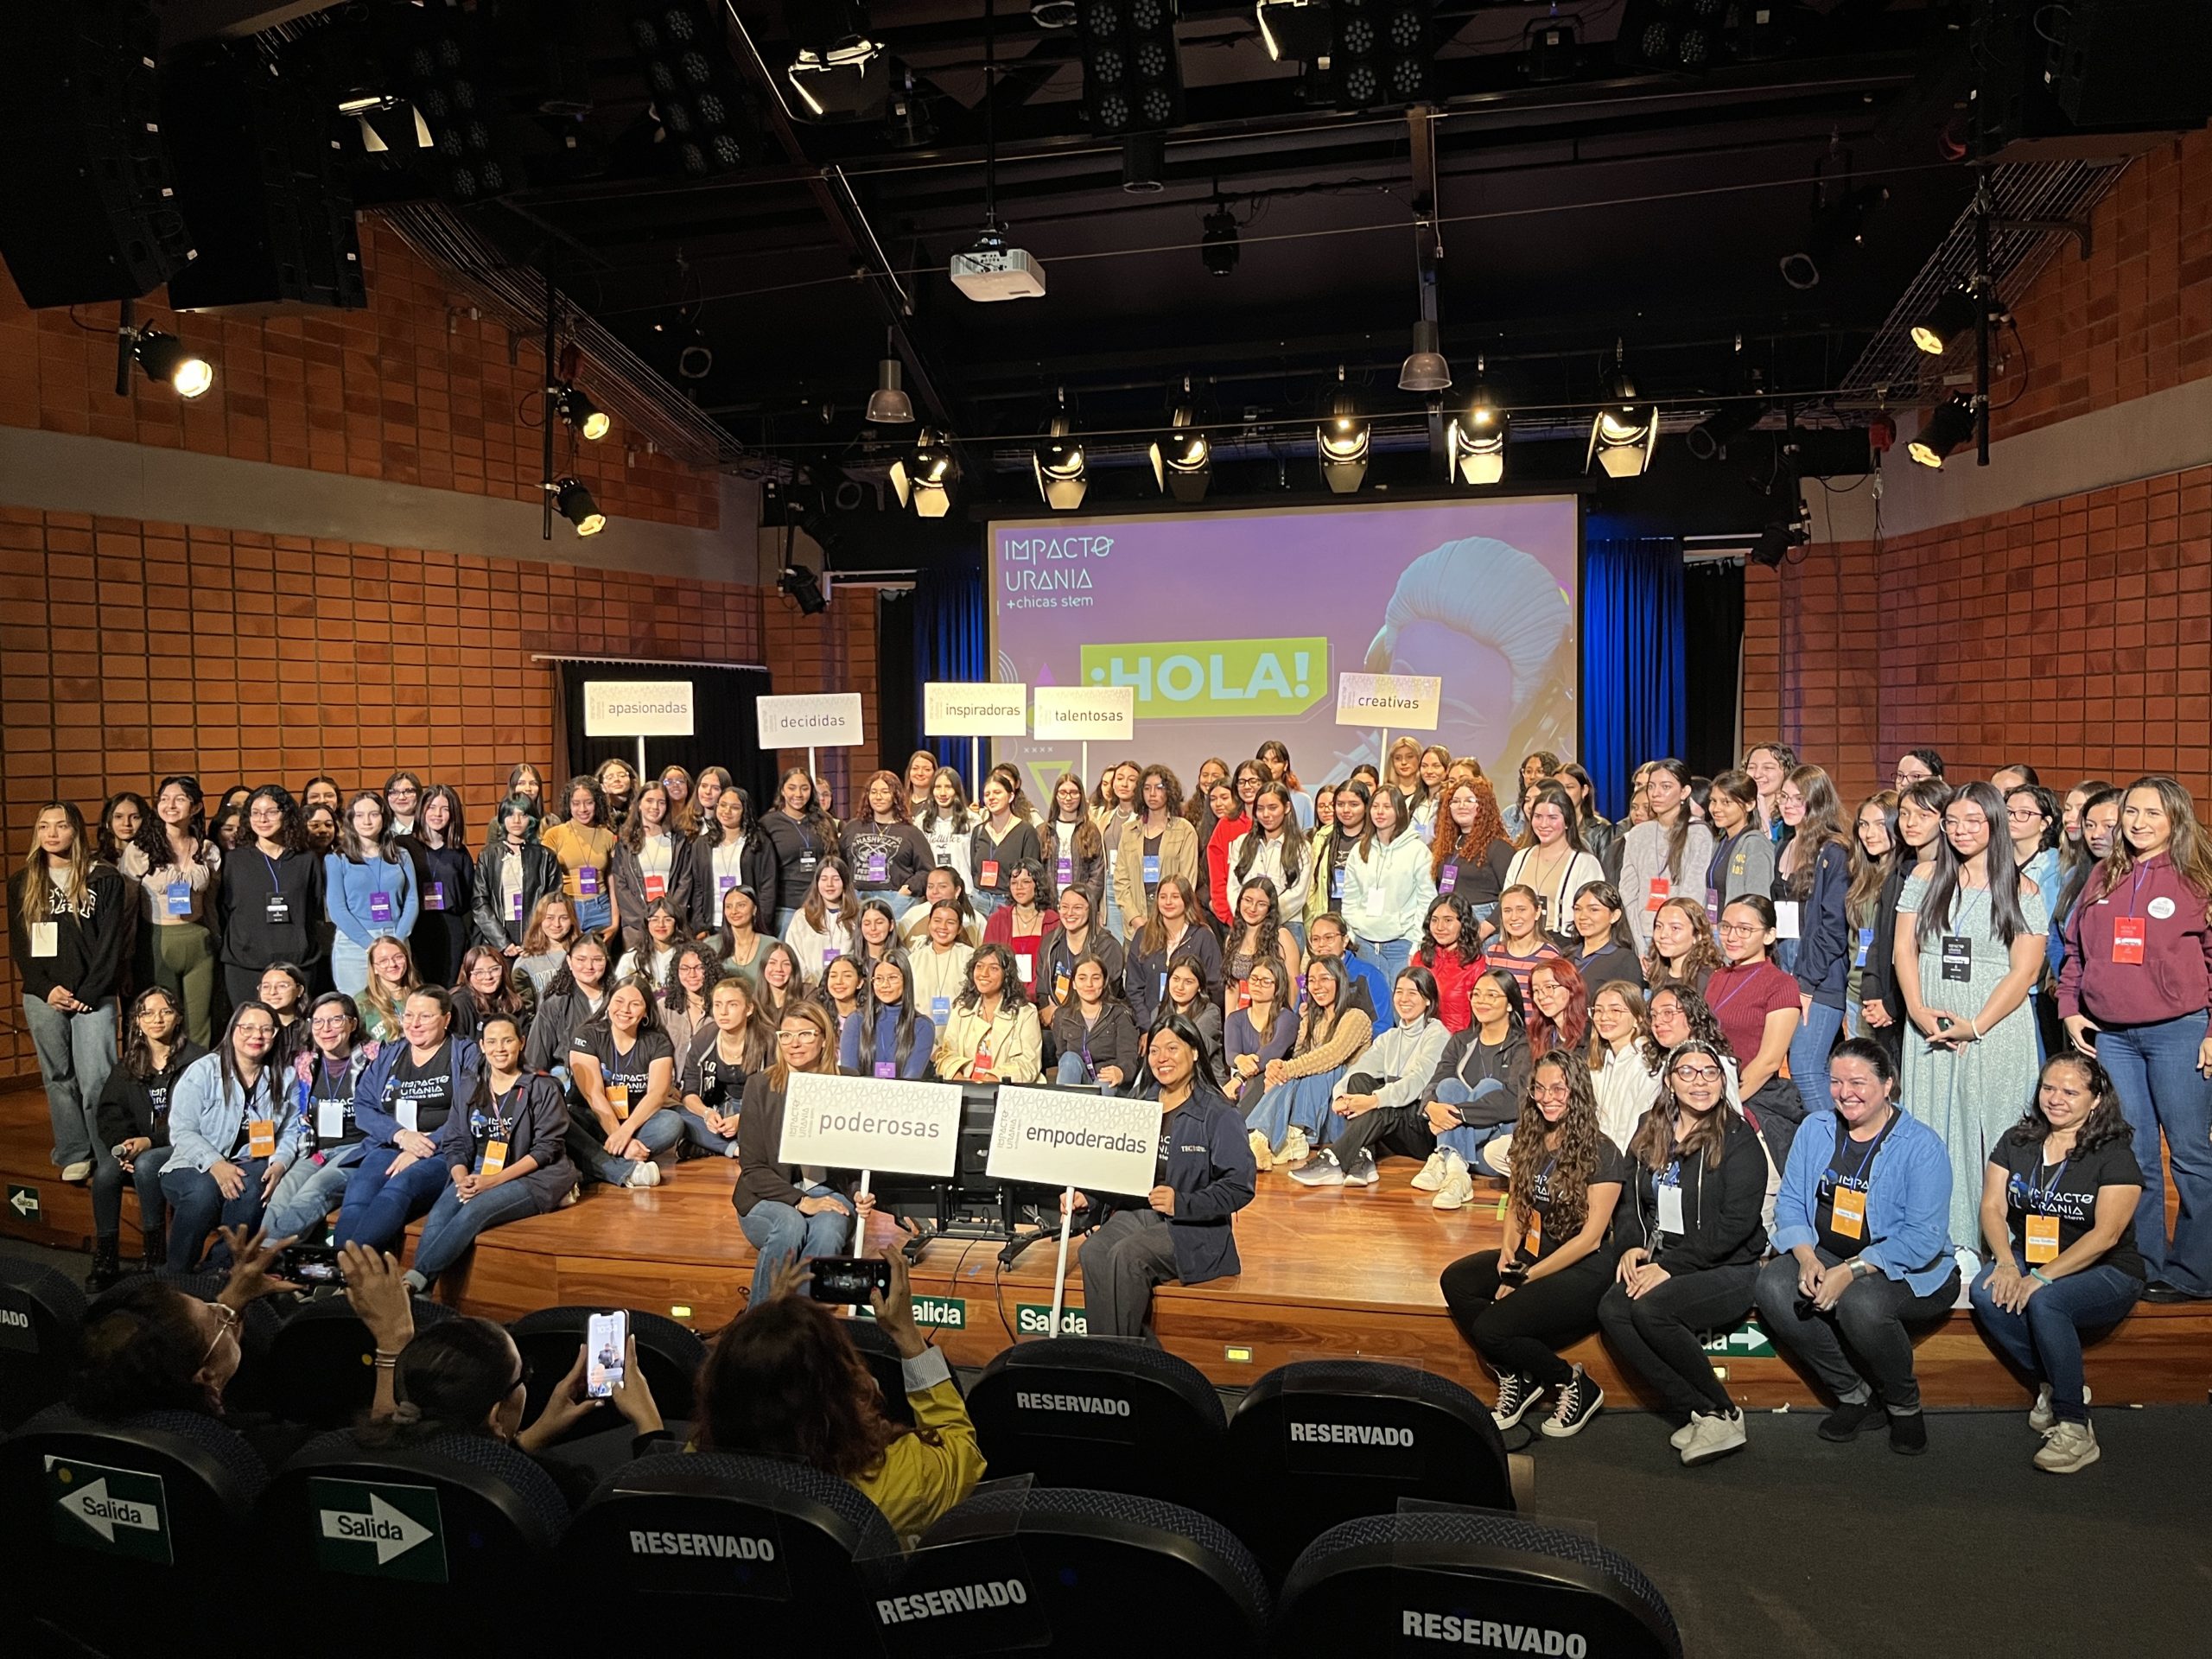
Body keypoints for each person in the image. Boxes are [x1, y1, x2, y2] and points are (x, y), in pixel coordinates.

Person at [693, 1243, 984, 1541]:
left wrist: (768, 1328)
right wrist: (907, 1335)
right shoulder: (898, 1481)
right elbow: (961, 1449)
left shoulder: (693, 1475)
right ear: (843, 1396)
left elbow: (746, 1384)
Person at [1754, 1039, 1959, 1455]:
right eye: (1836, 1081)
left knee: (1860, 1303)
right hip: (1827, 1252)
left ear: (1887, 1085)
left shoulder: (1922, 1145)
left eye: (1858, 1082)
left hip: (1911, 1268)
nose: (1845, 1092)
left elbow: (1923, 1238)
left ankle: (1903, 1405)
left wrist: (1850, 1270)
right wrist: (1806, 1256)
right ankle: (1854, 1395)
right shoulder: (1815, 1129)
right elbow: (1790, 1202)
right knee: (1773, 1285)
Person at [2056, 775, 2212, 1300]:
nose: (2138, 823)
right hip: (2114, 1038)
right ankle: (2143, 1264)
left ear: (2176, 819)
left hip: (2180, 1032)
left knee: (2190, 1154)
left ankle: (2196, 1273)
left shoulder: (2197, 877)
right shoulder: (2104, 873)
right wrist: (2070, 1007)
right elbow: (2075, 950)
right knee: (2135, 1153)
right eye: (2131, 812)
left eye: (2152, 813)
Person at [1970, 1053, 2147, 1473]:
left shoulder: (2113, 1153)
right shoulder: (2017, 1140)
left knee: (2047, 1300)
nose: (2056, 1099)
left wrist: (2041, 1278)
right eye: (2049, 1088)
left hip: (2107, 1268)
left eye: (2070, 1091)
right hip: (2030, 1255)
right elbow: (1992, 1206)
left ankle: (2075, 1426)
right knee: (1984, 1291)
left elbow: (2106, 1235)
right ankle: (2057, 1381)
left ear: (2096, 1099)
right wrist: (2006, 1264)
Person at [1599, 1038, 1770, 1466]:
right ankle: (1698, 1410)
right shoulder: (1650, 1126)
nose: (1700, 1082)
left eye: (1710, 1073)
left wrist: (1669, 1267)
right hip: (1667, 1257)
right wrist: (1632, 1246)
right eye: (1688, 1072)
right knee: (1613, 1309)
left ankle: (1724, 1412)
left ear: (1722, 1082)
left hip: (1728, 1266)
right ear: (1670, 1082)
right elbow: (1630, 1199)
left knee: (1652, 1309)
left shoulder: (1738, 1137)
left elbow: (1736, 1225)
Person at [1894, 780, 2049, 1255]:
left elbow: (2025, 971)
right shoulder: (1925, 876)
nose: (1960, 830)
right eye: (1952, 821)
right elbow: (1904, 949)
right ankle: (1939, 1238)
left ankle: (1994, 1244)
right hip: (1930, 1021)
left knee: (1993, 1130)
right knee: (1932, 1127)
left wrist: (1977, 1025)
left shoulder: (2021, 888)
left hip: (1993, 1026)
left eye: (1973, 821)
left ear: (1994, 823)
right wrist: (1917, 1010)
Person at [1440, 1050, 1627, 1437]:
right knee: (1456, 1280)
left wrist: (1526, 1278)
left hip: (1584, 1268)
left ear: (1577, 1092)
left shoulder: (1603, 1151)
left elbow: (1591, 1239)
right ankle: (1517, 1375)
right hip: (1535, 1253)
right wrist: (1509, 1252)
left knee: (1491, 1328)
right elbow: (1518, 1204)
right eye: (1539, 1089)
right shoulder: (1531, 1138)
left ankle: (1573, 1383)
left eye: (1558, 1089)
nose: (1547, 1098)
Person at [1067, 1013, 1255, 1340]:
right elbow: (1118, 1166)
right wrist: (1091, 1197)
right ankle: (1111, 1353)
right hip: (1141, 1213)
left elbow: (1240, 1186)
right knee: (1093, 1251)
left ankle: (1120, 1359)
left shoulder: (1218, 1113)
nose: (1162, 1058)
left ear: (1194, 1051)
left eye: (1172, 1048)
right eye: (1154, 1050)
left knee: (1127, 1255)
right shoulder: (1141, 1104)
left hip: (1193, 1228)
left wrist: (1182, 1202)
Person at [404, 1013, 575, 1292]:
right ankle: (420, 1295)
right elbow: (456, 1142)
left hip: (531, 1175)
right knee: (439, 1215)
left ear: (521, 1043)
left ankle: (414, 1281)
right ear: (482, 1046)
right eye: (492, 1042)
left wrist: (492, 1182)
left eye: (508, 1040)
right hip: (478, 1170)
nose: (500, 1048)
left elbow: (547, 1149)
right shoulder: (469, 1086)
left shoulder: (542, 1086)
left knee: (474, 1211)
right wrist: (461, 1178)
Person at [12, 800, 131, 1185]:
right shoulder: (23, 881)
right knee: (58, 1076)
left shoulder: (104, 878)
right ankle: (74, 1151)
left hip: (93, 996)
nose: (52, 833)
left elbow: (110, 945)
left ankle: (107, 1152)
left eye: (61, 825)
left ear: (76, 831)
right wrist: (47, 989)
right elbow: (21, 946)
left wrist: (89, 992)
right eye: (44, 826)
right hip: (44, 996)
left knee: (98, 1078)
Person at [334, 988, 483, 1251]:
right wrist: (401, 1136)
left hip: (443, 1149)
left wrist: (424, 1146)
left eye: (425, 1016)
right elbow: (363, 1105)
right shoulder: (391, 1054)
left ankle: (353, 1265)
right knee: (360, 1190)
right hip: (391, 1143)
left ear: (446, 1019)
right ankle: (340, 1265)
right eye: (409, 1015)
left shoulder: (466, 1053)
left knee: (400, 1187)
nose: (414, 1024)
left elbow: (471, 1110)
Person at [159, 1001, 300, 1268]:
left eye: (266, 1029)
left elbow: (291, 1129)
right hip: (192, 1163)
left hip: (251, 1161)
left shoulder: (286, 1077)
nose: (257, 1035)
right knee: (203, 1192)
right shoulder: (204, 1070)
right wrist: (216, 1164)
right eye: (248, 1028)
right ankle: (176, 1272)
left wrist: (280, 1163)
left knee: (251, 1189)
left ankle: (220, 1270)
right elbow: (182, 1129)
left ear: (275, 1035)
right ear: (233, 1030)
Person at [1287, 967, 1454, 1192]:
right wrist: (1341, 1097)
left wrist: (1373, 1100)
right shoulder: (1391, 1037)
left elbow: (1417, 1082)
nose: (1404, 999)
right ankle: (1363, 1158)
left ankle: (1334, 1160)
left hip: (1422, 1129)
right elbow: (1359, 1068)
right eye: (1399, 992)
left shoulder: (1437, 1034)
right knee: (1359, 1080)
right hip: (1392, 1127)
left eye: (1412, 993)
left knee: (1384, 1108)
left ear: (1427, 1000)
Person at [735, 1001, 855, 1303]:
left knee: (829, 1227)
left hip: (828, 1189)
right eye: (786, 1035)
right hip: (767, 1195)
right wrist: (801, 1201)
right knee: (791, 1223)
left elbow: (858, 1159)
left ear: (824, 1039)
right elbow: (752, 1168)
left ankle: (803, 1321)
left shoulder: (849, 1081)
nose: (794, 1043)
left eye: (805, 1034)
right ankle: (761, 1321)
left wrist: (861, 1194)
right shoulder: (759, 1085)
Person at [87, 988, 206, 1289]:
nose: (157, 1019)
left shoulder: (199, 1061)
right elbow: (110, 1114)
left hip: (184, 1145)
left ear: (178, 1018)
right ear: (137, 1021)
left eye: (165, 1011)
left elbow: (202, 1119)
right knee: (105, 1173)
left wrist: (149, 1143)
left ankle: (155, 1255)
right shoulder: (128, 1065)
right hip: (139, 1147)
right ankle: (106, 1260)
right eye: (147, 1013)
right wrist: (124, 1146)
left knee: (147, 1164)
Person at [262, 992, 377, 1243]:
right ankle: (267, 1257)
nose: (326, 1029)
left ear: (352, 1024)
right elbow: (293, 1118)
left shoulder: (375, 1060)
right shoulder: (305, 1064)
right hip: (315, 1151)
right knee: (281, 1195)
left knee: (315, 1190)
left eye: (336, 1020)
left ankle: (266, 1254)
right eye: (318, 1021)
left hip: (359, 1150)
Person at [1243, 957, 1375, 1171]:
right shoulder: (1309, 1021)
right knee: (1294, 1071)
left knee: (1327, 1068)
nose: (1317, 986)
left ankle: (1289, 1134)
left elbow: (1331, 1055)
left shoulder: (1356, 1018)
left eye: (1324, 978)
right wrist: (1277, 1071)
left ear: (1339, 981)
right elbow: (1298, 1061)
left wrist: (1286, 1069)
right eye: (1311, 980)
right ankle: (1262, 1136)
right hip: (1313, 1115)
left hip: (1340, 1111)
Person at [120, 775, 222, 1046]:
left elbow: (212, 903)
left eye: (179, 799)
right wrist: (126, 958)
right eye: (164, 799)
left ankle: (198, 1072)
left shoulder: (208, 849)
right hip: (155, 942)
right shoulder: (140, 850)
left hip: (199, 943)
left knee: (199, 1026)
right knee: (160, 1022)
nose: (170, 805)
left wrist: (217, 941)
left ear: (196, 807)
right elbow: (128, 909)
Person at [1777, 765, 1854, 1117]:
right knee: (1805, 1070)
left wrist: (1806, 983)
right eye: (1785, 797)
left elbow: (1833, 927)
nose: (1789, 804)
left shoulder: (1833, 851)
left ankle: (1834, 1144)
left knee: (1806, 1068)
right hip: (1788, 968)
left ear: (1818, 802)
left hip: (1820, 978)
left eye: (1799, 798)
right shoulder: (1785, 844)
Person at [1706, 895, 1805, 1161]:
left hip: (1748, 1101)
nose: (1732, 936)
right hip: (1708, 1092)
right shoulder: (1717, 977)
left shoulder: (1781, 984)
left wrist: (1725, 1103)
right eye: (1726, 927)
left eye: (1744, 929)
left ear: (1769, 935)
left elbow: (1769, 1061)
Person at [214, 786, 324, 1011]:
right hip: (245, 963)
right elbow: (224, 908)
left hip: (298, 962)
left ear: (286, 814)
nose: (262, 819)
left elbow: (314, 907)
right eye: (255, 813)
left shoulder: (306, 860)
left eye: (271, 812)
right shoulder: (234, 860)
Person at [566, 979, 681, 1188]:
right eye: (619, 1001)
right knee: (562, 1122)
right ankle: (624, 1170)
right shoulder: (587, 1035)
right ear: (608, 1003)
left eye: (635, 1004)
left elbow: (657, 1094)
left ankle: (592, 1164)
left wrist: (625, 1133)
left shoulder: (658, 1041)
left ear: (646, 1012)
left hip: (635, 1122)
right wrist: (619, 1138)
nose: (625, 1010)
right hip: (591, 1118)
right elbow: (593, 1094)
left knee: (671, 1123)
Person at [1618, 760, 1717, 956]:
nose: (1656, 793)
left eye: (1665, 787)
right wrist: (1639, 944)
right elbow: (1628, 891)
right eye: (1651, 787)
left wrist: (1674, 934)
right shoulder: (1638, 834)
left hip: (1680, 936)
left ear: (1684, 792)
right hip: (1642, 934)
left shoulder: (1697, 833)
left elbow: (1693, 894)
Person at [1340, 785, 1436, 984]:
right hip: (1364, 943)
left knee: (1398, 1000)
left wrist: (1416, 941)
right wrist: (1353, 931)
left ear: (1399, 810)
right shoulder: (1359, 850)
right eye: (1375, 806)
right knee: (1367, 1001)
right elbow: (1350, 897)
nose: (1380, 812)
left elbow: (1426, 900)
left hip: (1400, 945)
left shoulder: (1417, 851)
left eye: (1387, 806)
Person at [678, 973, 772, 1158]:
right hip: (721, 1108)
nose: (723, 1012)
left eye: (732, 1005)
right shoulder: (703, 1039)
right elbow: (689, 1093)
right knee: (676, 1117)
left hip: (759, 1111)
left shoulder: (769, 1041)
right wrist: (706, 1114)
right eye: (718, 1005)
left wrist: (742, 1119)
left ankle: (710, 1145)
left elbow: (777, 1098)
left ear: (749, 1009)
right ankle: (735, 1149)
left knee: (776, 1122)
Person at [1503, 785, 1605, 940]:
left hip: (1564, 944)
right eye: (1538, 817)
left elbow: (1594, 913)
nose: (1544, 824)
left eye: (1552, 818)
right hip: (1520, 943)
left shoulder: (1585, 863)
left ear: (1567, 822)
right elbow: (1507, 904)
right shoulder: (1520, 858)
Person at [1124, 875, 1224, 1030]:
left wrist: (1190, 1029)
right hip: (1149, 1026)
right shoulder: (1143, 935)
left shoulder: (1203, 937)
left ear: (1187, 900)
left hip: (1192, 1026)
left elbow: (1214, 987)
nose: (1168, 902)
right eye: (1163, 897)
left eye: (1175, 897)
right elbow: (1133, 988)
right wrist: (1146, 1028)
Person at [933, 943, 1043, 1083]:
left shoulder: (1026, 1013)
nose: (984, 974)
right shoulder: (961, 1009)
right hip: (965, 1086)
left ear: (1006, 975)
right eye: (979, 966)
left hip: (1005, 1089)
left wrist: (990, 1080)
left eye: (994, 968)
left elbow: (1028, 1064)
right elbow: (946, 1055)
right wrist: (959, 1078)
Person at [611, 782, 696, 959]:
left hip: (672, 923)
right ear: (639, 804)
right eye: (649, 801)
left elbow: (685, 881)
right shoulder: (625, 842)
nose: (655, 807)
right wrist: (647, 919)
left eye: (661, 802)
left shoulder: (678, 840)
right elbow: (621, 884)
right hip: (637, 926)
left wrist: (668, 916)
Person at [474, 793, 563, 961]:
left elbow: (553, 901)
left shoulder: (545, 856)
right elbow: (479, 902)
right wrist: (502, 942)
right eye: (510, 814)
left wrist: (534, 939)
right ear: (502, 818)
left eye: (523, 815)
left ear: (532, 819)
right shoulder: (488, 855)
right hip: (498, 934)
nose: (516, 821)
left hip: (535, 934)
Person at [1112, 765, 1198, 938]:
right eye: (1147, 788)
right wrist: (1136, 919)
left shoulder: (1184, 830)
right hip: (1136, 921)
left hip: (1172, 920)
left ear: (1169, 791)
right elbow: (1121, 882)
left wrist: (1169, 917)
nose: (1152, 794)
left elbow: (1188, 881)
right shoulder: (1129, 831)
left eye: (1159, 788)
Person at [1428, 778, 1516, 938]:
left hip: (1482, 927)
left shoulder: (1498, 847)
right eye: (1456, 801)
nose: (1461, 806)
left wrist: (1486, 928)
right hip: (1449, 925)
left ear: (1483, 805)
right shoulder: (1446, 845)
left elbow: (1512, 893)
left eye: (1469, 800)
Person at [843, 769, 933, 922]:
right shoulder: (852, 828)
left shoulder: (911, 832)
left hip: (896, 901)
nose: (878, 797)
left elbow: (927, 869)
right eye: (874, 792)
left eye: (885, 792)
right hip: (857, 898)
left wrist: (908, 889)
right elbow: (839, 863)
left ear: (895, 795)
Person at [1846, 792, 1899, 1046]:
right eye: (1864, 825)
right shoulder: (1862, 876)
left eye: (1880, 824)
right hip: (1855, 993)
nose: (1869, 834)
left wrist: (1889, 1001)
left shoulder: (1903, 877)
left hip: (1884, 999)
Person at [408, 785, 475, 989]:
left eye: (445, 809)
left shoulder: (459, 852)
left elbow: (469, 896)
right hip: (416, 925)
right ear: (422, 809)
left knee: (448, 987)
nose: (438, 814)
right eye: (432, 807)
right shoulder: (405, 847)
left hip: (451, 928)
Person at [1227, 783, 1313, 941]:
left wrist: (1266, 915)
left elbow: (1298, 893)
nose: (1266, 814)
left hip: (1287, 925)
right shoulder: (1242, 843)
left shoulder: (1301, 847)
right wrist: (1247, 915)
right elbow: (1233, 887)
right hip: (1246, 925)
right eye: (1260, 809)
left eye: (1273, 808)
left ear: (1287, 808)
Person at [542, 777, 620, 946]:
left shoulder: (607, 836)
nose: (583, 809)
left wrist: (615, 921)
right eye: (576, 804)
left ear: (597, 803)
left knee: (599, 959)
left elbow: (612, 879)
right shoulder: (554, 835)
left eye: (589, 803)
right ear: (568, 805)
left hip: (600, 908)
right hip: (567, 909)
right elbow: (543, 879)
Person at [695, 785, 779, 938]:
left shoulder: (759, 843)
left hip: (748, 926)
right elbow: (698, 888)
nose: (727, 811)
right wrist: (700, 925)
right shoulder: (702, 844)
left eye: (735, 807)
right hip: (713, 925)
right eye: (723, 805)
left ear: (745, 811)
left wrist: (761, 923)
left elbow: (768, 887)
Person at [1039, 883, 1123, 1036]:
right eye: (1064, 907)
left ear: (1090, 909)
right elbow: (1042, 988)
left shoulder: (1109, 947)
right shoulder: (1050, 943)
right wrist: (1047, 1009)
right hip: (1053, 1022)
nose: (1069, 913)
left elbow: (1106, 995)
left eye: (1077, 908)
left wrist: (1062, 1015)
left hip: (1097, 1026)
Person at [1588, 982, 1664, 1150]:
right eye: (1598, 1010)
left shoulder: (1647, 1064)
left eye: (1615, 1010)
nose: (1604, 1017)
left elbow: (1636, 1129)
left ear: (1638, 1018)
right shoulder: (1600, 1062)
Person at [840, 953, 937, 1080]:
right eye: (879, 979)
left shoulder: (923, 1026)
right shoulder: (856, 1021)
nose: (885, 985)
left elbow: (910, 1082)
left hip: (903, 1092)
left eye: (892, 978)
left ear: (906, 980)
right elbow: (849, 1077)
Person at [1052, 956, 1141, 1090]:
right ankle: (1065, 1102)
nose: (1089, 984)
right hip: (1080, 1078)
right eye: (1082, 978)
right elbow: (1061, 1055)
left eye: (1096, 978)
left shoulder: (1119, 1014)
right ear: (1074, 983)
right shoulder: (1062, 1016)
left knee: (1103, 1085)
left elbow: (1129, 1057)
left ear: (1104, 982)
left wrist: (1121, 1072)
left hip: (1108, 1078)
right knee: (1068, 1058)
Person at [1220, 957, 1298, 1102]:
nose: (1257, 984)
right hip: (1247, 1088)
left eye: (1265, 981)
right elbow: (1231, 1055)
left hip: (1277, 1086)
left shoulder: (1287, 1019)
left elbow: (1272, 1051)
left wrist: (1239, 1078)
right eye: (1254, 979)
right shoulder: (1235, 1019)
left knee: (1259, 1079)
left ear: (1278, 986)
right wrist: (1240, 1059)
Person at [981, 861, 1059, 1003]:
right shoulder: (997, 920)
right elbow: (988, 963)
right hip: (1005, 1000)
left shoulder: (1054, 922)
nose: (1019, 887)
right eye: (1014, 883)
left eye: (1026, 882)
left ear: (1038, 884)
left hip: (1044, 1000)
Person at [1704, 771, 1777, 919]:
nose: (1716, 809)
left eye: (1726, 802)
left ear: (1749, 805)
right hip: (1715, 927)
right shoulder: (1721, 841)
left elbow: (1758, 902)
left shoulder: (1755, 844)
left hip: (1737, 929)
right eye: (1713, 801)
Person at [1307, 910, 1393, 1033]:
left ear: (1345, 940)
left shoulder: (1368, 975)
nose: (1322, 944)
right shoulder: (1310, 976)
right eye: (1315, 939)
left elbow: (1383, 1024)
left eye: (1329, 938)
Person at [1414, 893, 1484, 1033]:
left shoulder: (1476, 963)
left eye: (1448, 920)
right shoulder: (1420, 958)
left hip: (1459, 1040)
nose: (1440, 927)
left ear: (1463, 923)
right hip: (1423, 1037)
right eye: (1434, 920)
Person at [783, 855, 859, 984]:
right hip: (810, 987)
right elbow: (794, 954)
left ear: (845, 882)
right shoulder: (802, 917)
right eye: (824, 879)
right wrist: (810, 986)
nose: (829, 884)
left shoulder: (857, 915)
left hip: (846, 985)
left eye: (836, 879)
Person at [1483, 885, 1563, 1002]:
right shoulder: (1493, 953)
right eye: (1507, 911)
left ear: (1537, 912)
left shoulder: (1550, 956)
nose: (1514, 917)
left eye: (1521, 910)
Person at [1566, 880, 1643, 996]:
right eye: (1578, 909)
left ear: (1614, 915)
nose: (1582, 916)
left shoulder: (1624, 960)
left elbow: (1631, 1003)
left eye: (1594, 910)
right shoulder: (1567, 956)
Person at [356, 934, 422, 1045]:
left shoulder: (423, 996)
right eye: (383, 961)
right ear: (374, 968)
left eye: (398, 957)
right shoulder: (362, 1002)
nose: (392, 964)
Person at [613, 897, 685, 990]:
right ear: (647, 924)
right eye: (655, 919)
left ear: (677, 924)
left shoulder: (688, 955)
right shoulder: (631, 958)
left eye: (667, 919)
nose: (661, 925)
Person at [1744, 742, 1798, 842]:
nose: (1757, 775)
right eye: (1751, 767)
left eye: (1768, 768)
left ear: (1787, 772)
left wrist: (1765, 829)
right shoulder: (1737, 813)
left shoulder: (1792, 817)